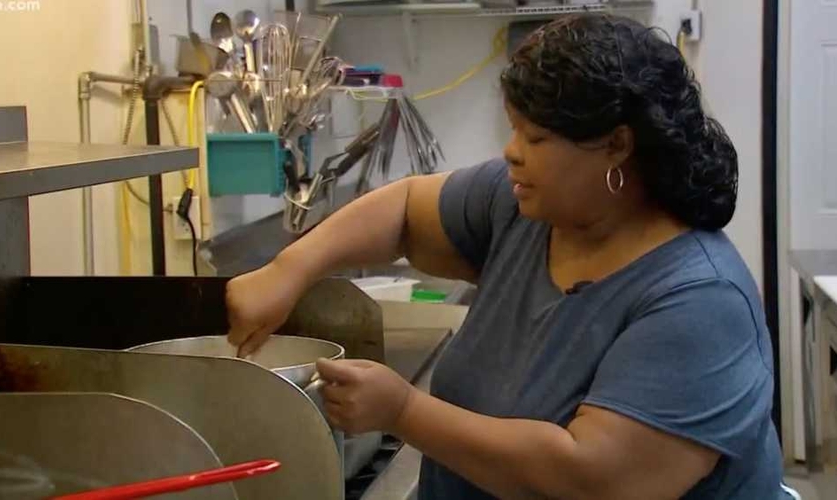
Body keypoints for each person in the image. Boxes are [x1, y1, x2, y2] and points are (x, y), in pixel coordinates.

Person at [226, 13, 791, 500]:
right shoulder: (528, 206)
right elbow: (403, 210)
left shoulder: (699, 301)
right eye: (513, 130)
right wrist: (287, 270)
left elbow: (590, 480)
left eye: (537, 139)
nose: (511, 152)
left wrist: (402, 411)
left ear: (617, 145)